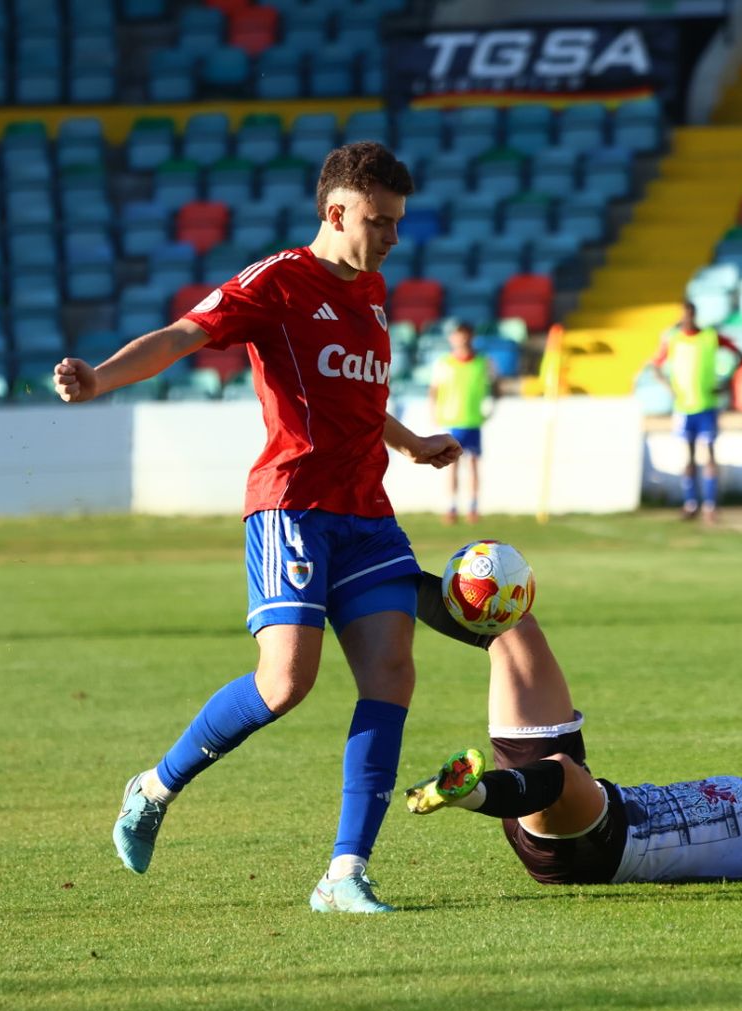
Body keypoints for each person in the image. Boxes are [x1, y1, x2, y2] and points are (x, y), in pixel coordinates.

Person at [52, 142, 462, 914]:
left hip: (367, 513)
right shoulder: (276, 281)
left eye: (398, 222)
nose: (392, 238)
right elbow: (182, 334)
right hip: (294, 506)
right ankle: (153, 785)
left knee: (392, 674)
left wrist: (408, 445)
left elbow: (361, 396)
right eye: (380, 220)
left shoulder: (371, 288)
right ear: (335, 211)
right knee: (285, 682)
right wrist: (101, 377)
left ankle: (344, 873)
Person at [402, 590, 742, 889]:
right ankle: (383, 580)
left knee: (560, 769)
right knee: (510, 625)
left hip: (594, 845)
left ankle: (469, 792)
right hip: (582, 802)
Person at [645, 302, 742, 524]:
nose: (686, 319)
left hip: (707, 405)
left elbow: (739, 354)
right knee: (688, 456)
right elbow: (654, 365)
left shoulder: (709, 337)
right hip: (683, 407)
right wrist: (668, 387)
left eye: (689, 314)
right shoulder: (673, 339)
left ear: (694, 314)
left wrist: (725, 381)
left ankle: (711, 504)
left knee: (709, 455)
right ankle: (691, 503)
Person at [428, 321, 496, 525]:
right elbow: (434, 390)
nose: (462, 340)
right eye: (458, 335)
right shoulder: (444, 363)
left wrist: (491, 407)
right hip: (451, 420)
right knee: (451, 465)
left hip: (473, 420)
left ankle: (474, 507)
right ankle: (451, 506)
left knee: (474, 464)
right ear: (452, 338)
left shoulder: (483, 362)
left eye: (465, 335)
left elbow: (493, 386)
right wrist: (432, 412)